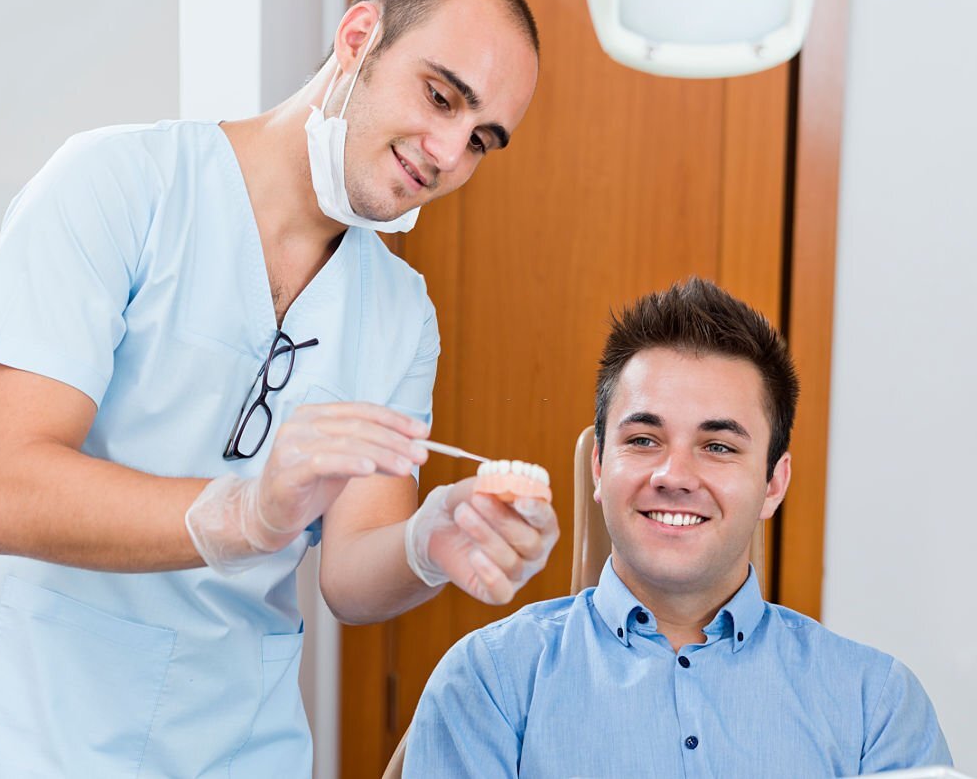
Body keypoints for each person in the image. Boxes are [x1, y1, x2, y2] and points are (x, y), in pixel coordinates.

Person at [0, 0, 559, 776]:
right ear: (358, 39)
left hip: (237, 748)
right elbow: (5, 490)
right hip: (33, 732)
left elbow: (350, 576)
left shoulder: (398, 314)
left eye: (482, 139)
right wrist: (247, 514)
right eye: (441, 97)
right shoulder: (118, 187)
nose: (450, 153)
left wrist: (426, 542)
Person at [404, 277, 951, 778]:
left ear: (773, 483)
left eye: (718, 447)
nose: (674, 476)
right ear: (599, 466)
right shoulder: (490, 681)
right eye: (643, 440)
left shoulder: (876, 704)